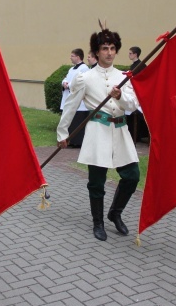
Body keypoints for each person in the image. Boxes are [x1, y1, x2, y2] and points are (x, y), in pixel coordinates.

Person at [57, 25, 140, 241]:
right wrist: (62, 133)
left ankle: (115, 213)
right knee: (97, 182)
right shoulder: (85, 78)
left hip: (120, 130)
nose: (110, 52)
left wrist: (120, 95)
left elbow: (132, 105)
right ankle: (98, 222)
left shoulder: (124, 76)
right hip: (97, 131)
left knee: (132, 176)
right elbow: (71, 106)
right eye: (105, 48)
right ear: (97, 51)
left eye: (113, 48)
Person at [60, 48, 90, 147]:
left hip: (79, 100)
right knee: (70, 120)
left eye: (72, 56)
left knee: (78, 121)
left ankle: (78, 142)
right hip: (69, 96)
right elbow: (67, 77)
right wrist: (64, 82)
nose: (70, 57)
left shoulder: (84, 68)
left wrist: (69, 85)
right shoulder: (71, 68)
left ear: (78, 57)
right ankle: (71, 140)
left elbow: (81, 82)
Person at [126, 46, 149, 142]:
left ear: (135, 54)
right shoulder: (134, 66)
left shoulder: (140, 66)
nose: (129, 55)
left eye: (130, 53)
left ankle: (138, 135)